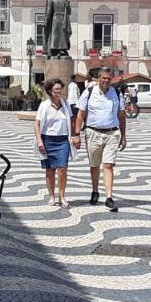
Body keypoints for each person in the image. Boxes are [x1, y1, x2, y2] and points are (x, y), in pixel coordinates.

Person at [71, 67, 127, 212]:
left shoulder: (117, 93)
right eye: (103, 78)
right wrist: (76, 134)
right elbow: (80, 114)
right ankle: (95, 191)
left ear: (112, 79)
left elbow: (121, 116)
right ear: (98, 78)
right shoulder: (89, 92)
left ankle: (109, 197)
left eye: (109, 78)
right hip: (93, 132)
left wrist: (123, 136)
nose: (106, 81)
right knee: (95, 165)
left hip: (112, 134)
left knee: (108, 165)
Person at [34, 79, 72, 207]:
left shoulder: (65, 104)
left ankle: (62, 196)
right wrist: (39, 141)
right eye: (56, 89)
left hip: (63, 141)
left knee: (62, 168)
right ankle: (52, 196)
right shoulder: (44, 105)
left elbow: (70, 121)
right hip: (48, 140)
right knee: (50, 170)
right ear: (50, 91)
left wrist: (75, 136)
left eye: (60, 89)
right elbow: (37, 123)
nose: (59, 91)